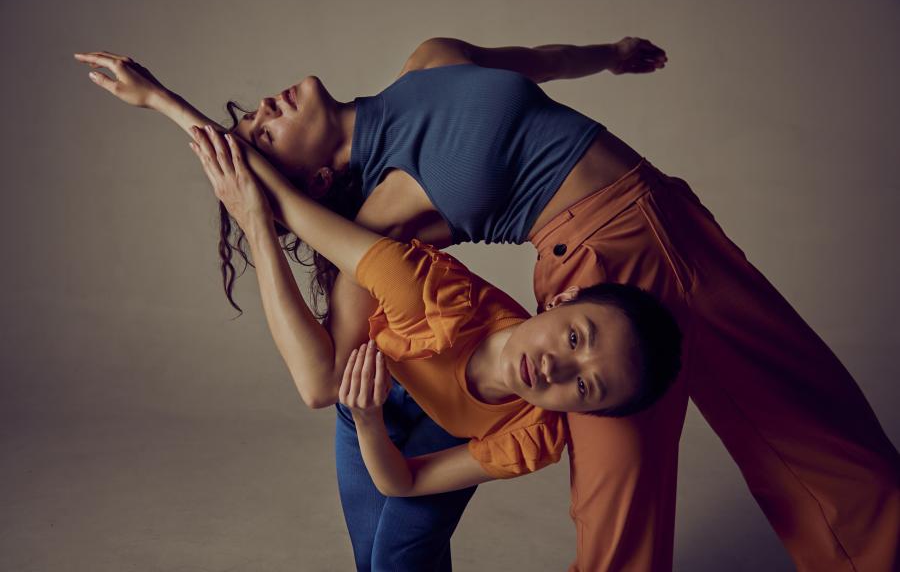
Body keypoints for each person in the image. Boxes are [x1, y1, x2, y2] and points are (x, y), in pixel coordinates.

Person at [75, 36, 899, 572]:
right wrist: (158, 102)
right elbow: (269, 214)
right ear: (315, 180)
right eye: (261, 136)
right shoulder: (387, 215)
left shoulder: (431, 63)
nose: (261, 114)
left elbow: (535, 61)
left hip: (673, 217)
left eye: (250, 118)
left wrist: (609, 54)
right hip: (595, 285)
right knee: (621, 519)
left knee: (830, 440)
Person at [189, 125, 681, 497]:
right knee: (329, 404)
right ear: (562, 300)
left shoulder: (534, 435)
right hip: (378, 367)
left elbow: (404, 483)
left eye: (583, 386)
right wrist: (162, 102)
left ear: (583, 414)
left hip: (386, 410)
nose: (556, 366)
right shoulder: (430, 297)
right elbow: (293, 210)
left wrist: (369, 422)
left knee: (398, 551)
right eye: (574, 338)